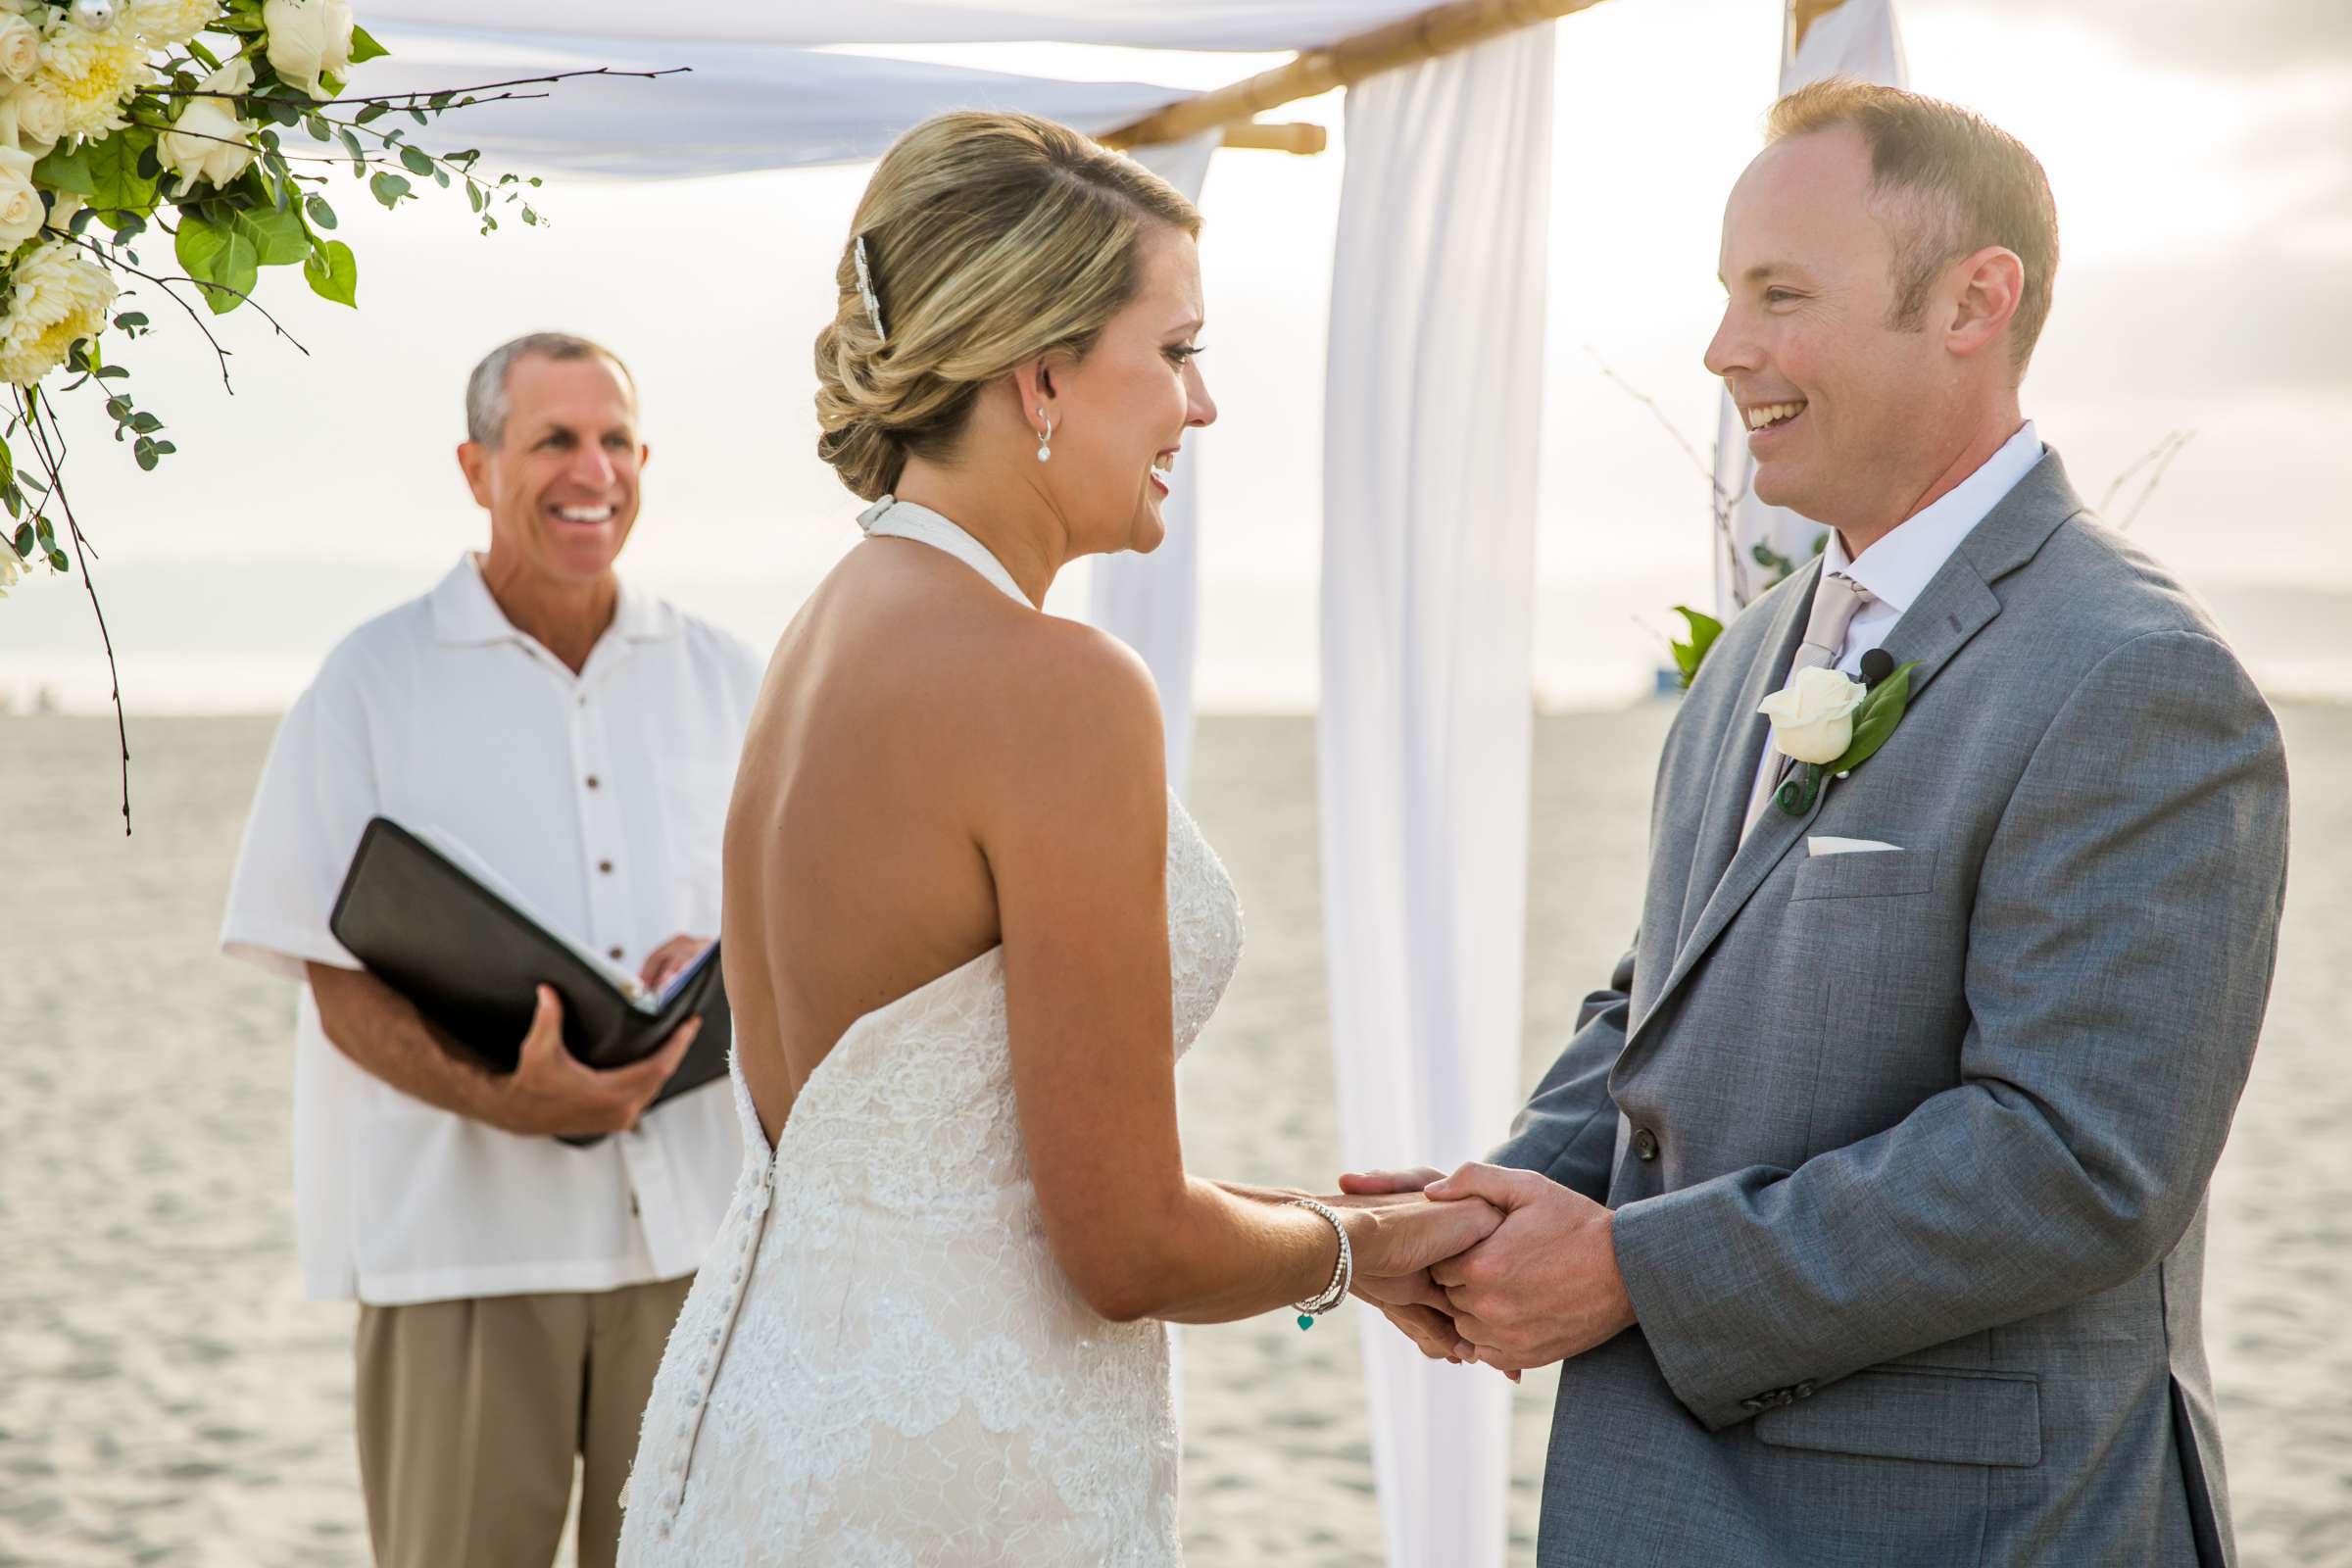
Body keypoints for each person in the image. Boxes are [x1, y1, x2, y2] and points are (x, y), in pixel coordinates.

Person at [1350, 80, 2289, 1566]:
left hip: (1961, 1526)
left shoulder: (2134, 675)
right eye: (1729, 297)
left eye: (1780, 295)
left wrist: (1638, 1274)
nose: (1727, 349)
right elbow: (1660, 996)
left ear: (1977, 300)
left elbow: (2075, 1160)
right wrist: (1497, 1209)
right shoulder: (1756, 650)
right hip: (1670, 1501)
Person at [614, 112, 1494, 1565]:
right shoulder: (1057, 690)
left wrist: (1321, 1216)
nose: (1200, 409)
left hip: (758, 1432)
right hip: (947, 1482)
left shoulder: (824, 633)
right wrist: (1385, 1245)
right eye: (1178, 352)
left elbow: (989, 1173)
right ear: (1043, 378)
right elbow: (1123, 1245)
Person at [219, 333, 762, 1568]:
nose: (595, 470)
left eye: (617, 439)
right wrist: (502, 1100)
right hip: (464, 1250)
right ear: (476, 467)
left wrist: (734, 945)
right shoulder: (370, 681)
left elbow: (811, 922)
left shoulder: (730, 676)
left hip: (695, 1254)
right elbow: (328, 970)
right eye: (555, 439)